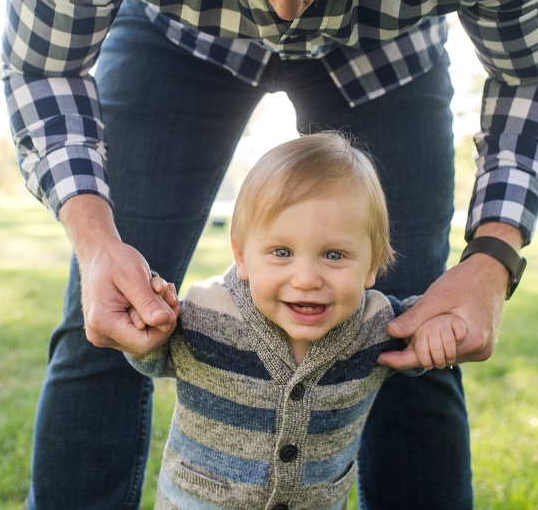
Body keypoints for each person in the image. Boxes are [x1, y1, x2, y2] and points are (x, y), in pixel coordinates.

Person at [2, 0, 538, 506]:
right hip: (178, 36)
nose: (284, 14)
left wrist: (492, 258)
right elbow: (44, 70)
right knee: (104, 320)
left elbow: (537, 76)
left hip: (384, 49)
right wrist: (97, 242)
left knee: (417, 335)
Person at [125, 132, 463, 509]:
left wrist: (440, 330)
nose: (305, 278)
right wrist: (149, 330)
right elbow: (152, 356)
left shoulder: (377, 325)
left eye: (334, 255)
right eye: (282, 252)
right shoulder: (208, 312)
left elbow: (426, 325)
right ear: (241, 256)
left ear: (372, 264)